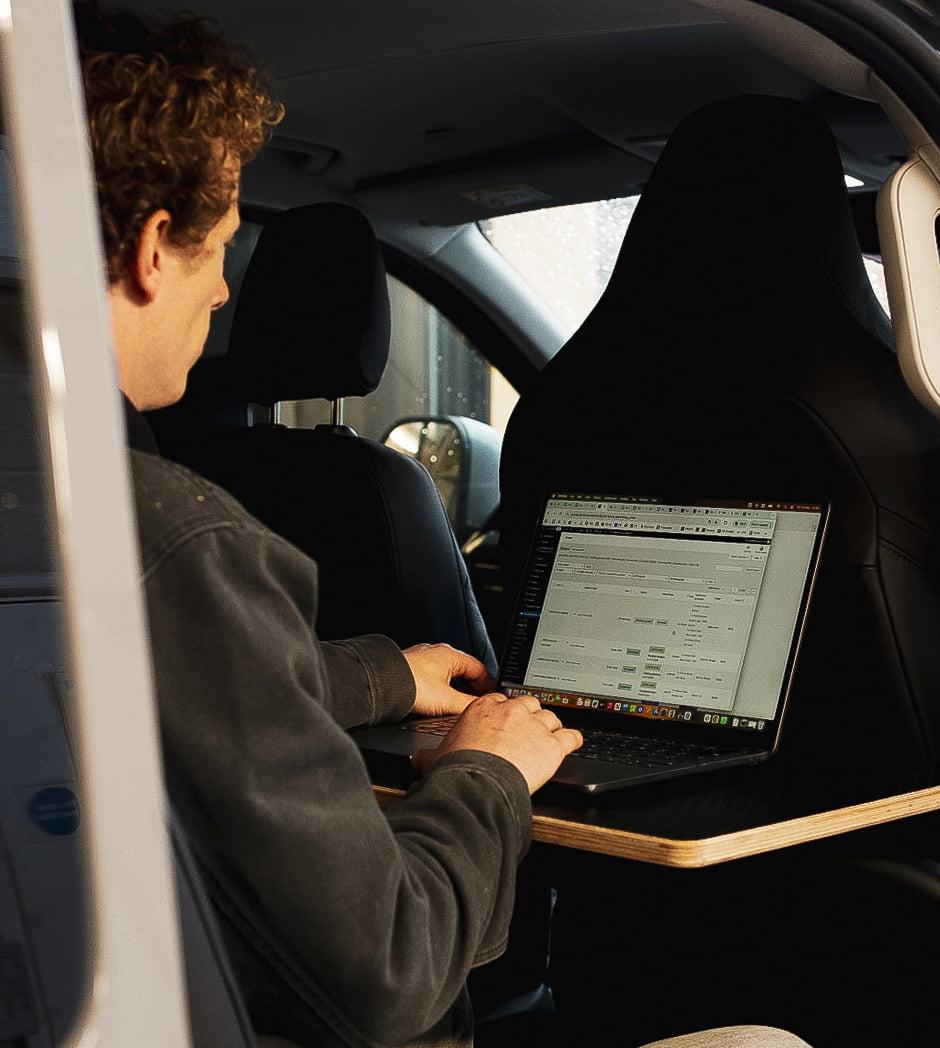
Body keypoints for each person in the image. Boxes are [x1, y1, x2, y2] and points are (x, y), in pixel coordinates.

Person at [75, 5, 814, 1047]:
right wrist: (489, 769)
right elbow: (387, 970)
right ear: (156, 248)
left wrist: (385, 675)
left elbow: (170, 681)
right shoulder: (170, 537)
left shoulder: (74, 520)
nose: (220, 293)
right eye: (223, 251)